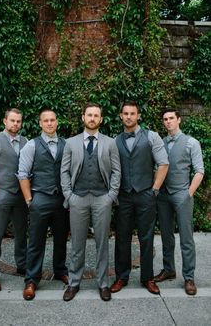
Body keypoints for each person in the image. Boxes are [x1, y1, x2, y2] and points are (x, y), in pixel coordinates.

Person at [61, 102, 121, 302]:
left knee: (102, 243)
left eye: (96, 115)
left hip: (101, 199)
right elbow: (64, 171)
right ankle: (74, 283)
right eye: (89, 115)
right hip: (78, 198)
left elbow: (116, 172)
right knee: (77, 244)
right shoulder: (70, 143)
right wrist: (69, 196)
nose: (92, 118)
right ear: (83, 118)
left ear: (101, 119)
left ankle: (103, 284)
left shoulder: (110, 143)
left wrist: (110, 196)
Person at [110, 101, 169, 295]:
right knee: (122, 237)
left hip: (146, 194)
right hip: (123, 196)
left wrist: (154, 190)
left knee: (147, 237)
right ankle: (121, 277)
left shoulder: (152, 136)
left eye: (132, 113)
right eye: (125, 113)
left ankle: (147, 278)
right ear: (120, 116)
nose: (129, 117)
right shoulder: (115, 140)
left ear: (138, 116)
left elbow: (163, 164)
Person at [18, 108, 70, 301]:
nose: (49, 123)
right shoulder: (31, 145)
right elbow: (22, 173)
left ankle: (60, 270)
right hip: (39, 198)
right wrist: (29, 200)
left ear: (57, 122)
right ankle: (31, 280)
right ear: (40, 123)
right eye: (45, 120)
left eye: (52, 120)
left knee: (61, 239)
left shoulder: (66, 144)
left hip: (61, 200)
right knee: (36, 241)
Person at [154, 108, 204, 295]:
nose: (168, 122)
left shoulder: (192, 142)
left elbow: (199, 171)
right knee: (166, 235)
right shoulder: (160, 143)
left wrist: (189, 193)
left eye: (171, 118)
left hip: (182, 194)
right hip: (164, 196)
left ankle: (189, 277)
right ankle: (169, 269)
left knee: (186, 237)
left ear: (179, 120)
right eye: (165, 119)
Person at [0, 108, 28, 292]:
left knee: (22, 232)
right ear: (4, 121)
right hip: (2, 194)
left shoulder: (25, 142)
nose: (15, 124)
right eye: (12, 120)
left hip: (20, 196)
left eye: (18, 121)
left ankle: (22, 264)